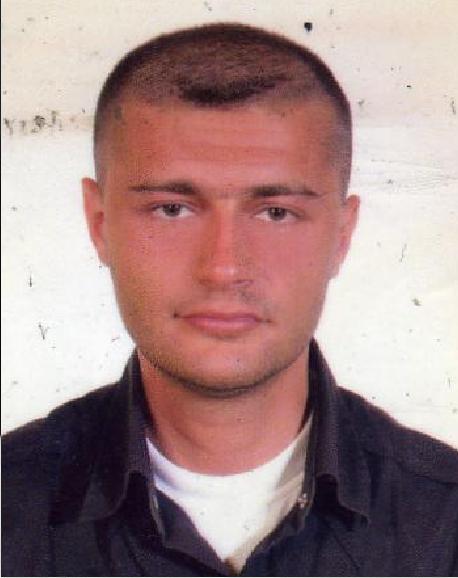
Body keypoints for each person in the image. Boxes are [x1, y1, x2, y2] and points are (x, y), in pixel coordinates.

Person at [2, 22, 457, 577]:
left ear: (342, 235)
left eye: (276, 213)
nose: (223, 269)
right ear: (99, 224)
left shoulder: (445, 523)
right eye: (172, 209)